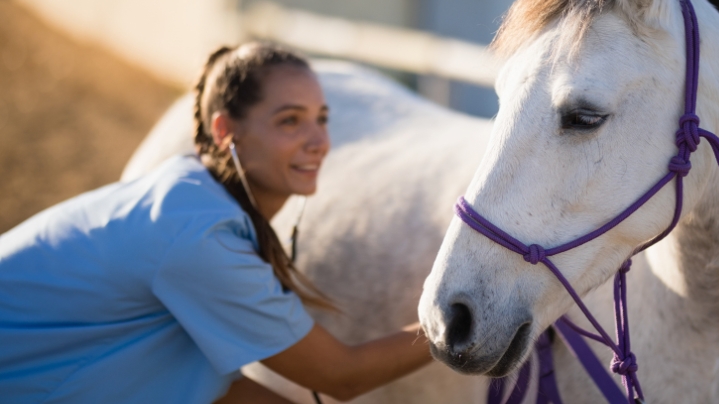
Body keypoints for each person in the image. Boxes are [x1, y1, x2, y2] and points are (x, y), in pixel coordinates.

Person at [0, 42, 433, 403]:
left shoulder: (192, 196)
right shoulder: (197, 236)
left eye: (321, 118)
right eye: (290, 121)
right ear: (226, 130)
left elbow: (219, 392)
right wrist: (456, 323)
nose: (319, 142)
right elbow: (342, 376)